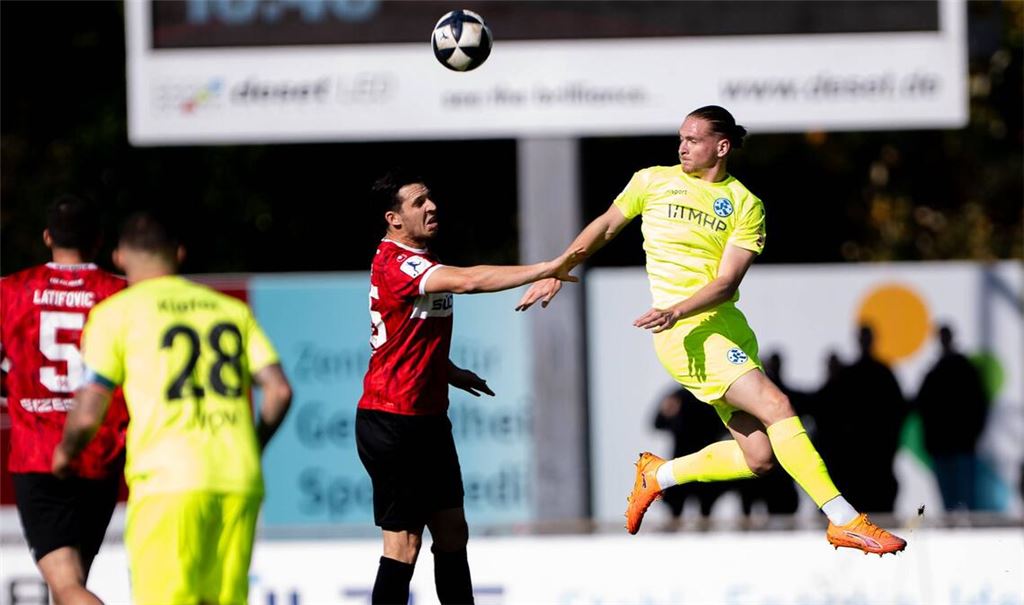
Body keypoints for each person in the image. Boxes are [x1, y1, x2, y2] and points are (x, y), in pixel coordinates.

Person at [517, 105, 906, 555]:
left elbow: (726, 284)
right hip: (685, 336)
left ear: (721, 147)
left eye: (694, 139)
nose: (682, 146)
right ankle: (844, 519)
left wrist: (680, 308)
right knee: (777, 404)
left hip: (725, 328)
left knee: (759, 458)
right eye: (680, 138)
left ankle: (657, 475)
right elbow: (605, 226)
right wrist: (557, 268)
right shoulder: (652, 181)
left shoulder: (745, 204)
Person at [358, 169, 581, 605]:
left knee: (452, 533)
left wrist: (447, 369)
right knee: (404, 544)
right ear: (394, 218)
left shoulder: (421, 261)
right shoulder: (397, 262)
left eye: (430, 198)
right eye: (418, 202)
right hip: (391, 421)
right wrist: (547, 266)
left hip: (427, 420)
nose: (431, 206)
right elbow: (470, 281)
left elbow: (407, 334)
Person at [51, 211, 293, 605]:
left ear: (120, 257)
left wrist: (65, 453)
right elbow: (279, 390)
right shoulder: (229, 310)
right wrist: (253, 443)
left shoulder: (116, 314)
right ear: (178, 254)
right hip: (237, 479)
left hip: (167, 482)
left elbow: (89, 408)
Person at [0, 195, 128, 604]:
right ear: (98, 240)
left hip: (39, 454)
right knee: (70, 583)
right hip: (100, 454)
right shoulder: (121, 293)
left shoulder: (11, 291)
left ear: (47, 236)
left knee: (67, 586)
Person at [814, 326, 907, 513]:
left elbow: (897, 411)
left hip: (876, 457)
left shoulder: (880, 373)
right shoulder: (853, 374)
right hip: (853, 460)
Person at [915, 324, 989, 511]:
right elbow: (921, 406)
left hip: (960, 446)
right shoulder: (936, 372)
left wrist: (973, 433)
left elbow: (979, 404)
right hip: (945, 447)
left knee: (967, 502)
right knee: (952, 504)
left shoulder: (962, 369)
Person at [652, 386, 732, 528]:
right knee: (676, 511)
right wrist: (667, 413)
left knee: (705, 511)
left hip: (703, 462)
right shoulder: (681, 395)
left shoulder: (713, 394)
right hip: (685, 463)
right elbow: (657, 423)